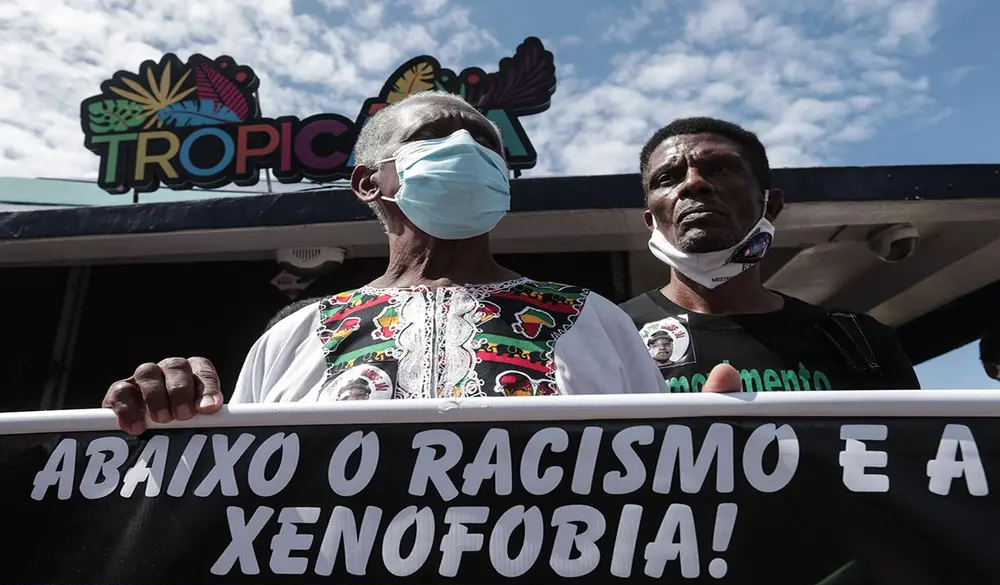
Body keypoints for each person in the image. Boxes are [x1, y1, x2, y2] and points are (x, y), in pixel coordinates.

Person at [102, 92, 742, 435]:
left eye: (485, 147)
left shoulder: (597, 322)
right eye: (434, 138)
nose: (465, 149)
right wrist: (169, 415)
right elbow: (228, 494)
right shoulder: (291, 338)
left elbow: (663, 482)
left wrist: (713, 445)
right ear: (367, 182)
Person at [620, 117, 921, 393]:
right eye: (667, 178)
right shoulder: (611, 337)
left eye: (719, 169)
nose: (692, 183)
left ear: (771, 206)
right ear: (651, 222)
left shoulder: (861, 343)